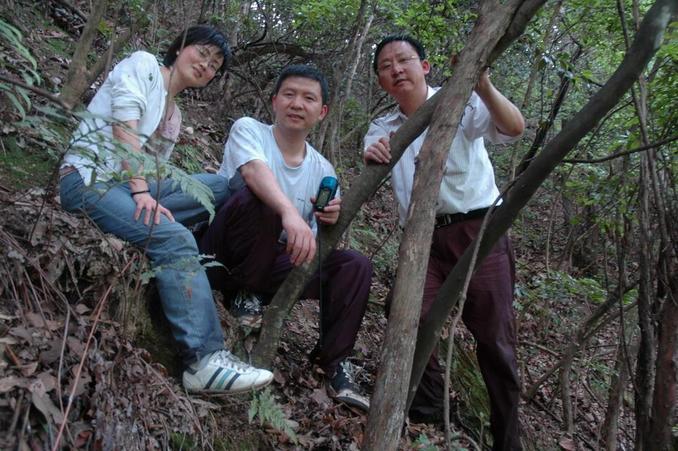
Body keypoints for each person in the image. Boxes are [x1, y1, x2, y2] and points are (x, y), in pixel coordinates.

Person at [59, 25, 273, 393]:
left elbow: (157, 172)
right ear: (181, 47)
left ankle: (204, 264)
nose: (207, 66)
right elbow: (122, 128)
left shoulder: (173, 117)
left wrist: (145, 193)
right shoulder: (143, 66)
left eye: (215, 64)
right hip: (87, 181)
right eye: (203, 54)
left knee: (220, 186)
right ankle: (204, 361)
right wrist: (141, 193)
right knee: (172, 237)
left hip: (125, 189)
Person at [363, 35, 525, 450]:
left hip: (478, 230)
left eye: (405, 60)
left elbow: (513, 127)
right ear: (380, 79)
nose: (397, 69)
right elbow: (372, 156)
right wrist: (375, 153)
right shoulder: (383, 127)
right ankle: (428, 403)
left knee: (494, 338)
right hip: (423, 240)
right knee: (406, 314)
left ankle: (508, 436)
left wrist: (482, 84)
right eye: (386, 65)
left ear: (426, 65)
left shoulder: (459, 102)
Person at [198, 65, 372, 411]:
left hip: (271, 267)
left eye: (309, 98)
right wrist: (289, 213)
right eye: (289, 94)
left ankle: (335, 363)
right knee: (260, 197)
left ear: (321, 113)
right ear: (275, 100)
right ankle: (241, 294)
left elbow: (306, 241)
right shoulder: (249, 130)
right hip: (220, 255)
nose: (297, 104)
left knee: (354, 265)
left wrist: (325, 222)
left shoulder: (323, 170)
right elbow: (251, 171)